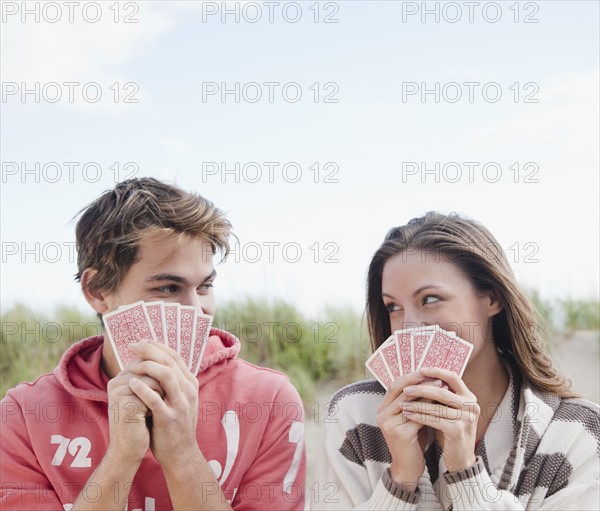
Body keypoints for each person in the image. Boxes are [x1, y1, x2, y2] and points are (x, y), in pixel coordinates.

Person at [0, 178, 306, 510]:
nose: (196, 310)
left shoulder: (270, 401)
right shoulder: (24, 414)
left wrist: (183, 455)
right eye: (168, 288)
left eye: (204, 287)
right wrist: (121, 457)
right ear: (98, 291)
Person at [312, 212, 599, 510]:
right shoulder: (355, 415)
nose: (408, 327)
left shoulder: (578, 431)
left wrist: (466, 475)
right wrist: (399, 483)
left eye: (430, 299)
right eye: (393, 307)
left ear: (492, 298)